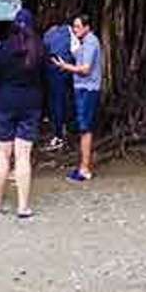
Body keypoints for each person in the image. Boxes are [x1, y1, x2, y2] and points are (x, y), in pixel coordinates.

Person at [0, 8, 44, 217]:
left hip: (5, 102)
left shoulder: (2, 48)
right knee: (23, 156)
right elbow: (45, 80)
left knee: (3, 155)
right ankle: (23, 207)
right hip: (31, 104)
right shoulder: (39, 48)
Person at [50, 13, 101, 182]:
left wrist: (65, 66)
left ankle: (85, 169)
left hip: (88, 89)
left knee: (85, 129)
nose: (75, 29)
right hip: (82, 89)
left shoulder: (91, 42)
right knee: (83, 128)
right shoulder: (84, 43)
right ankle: (83, 165)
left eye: (78, 26)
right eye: (74, 26)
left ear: (87, 27)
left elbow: (85, 69)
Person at [42, 17, 75, 151]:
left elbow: (45, 51)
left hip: (52, 73)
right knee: (65, 102)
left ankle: (59, 135)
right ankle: (64, 133)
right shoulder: (71, 33)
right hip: (67, 72)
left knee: (56, 103)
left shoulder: (49, 33)